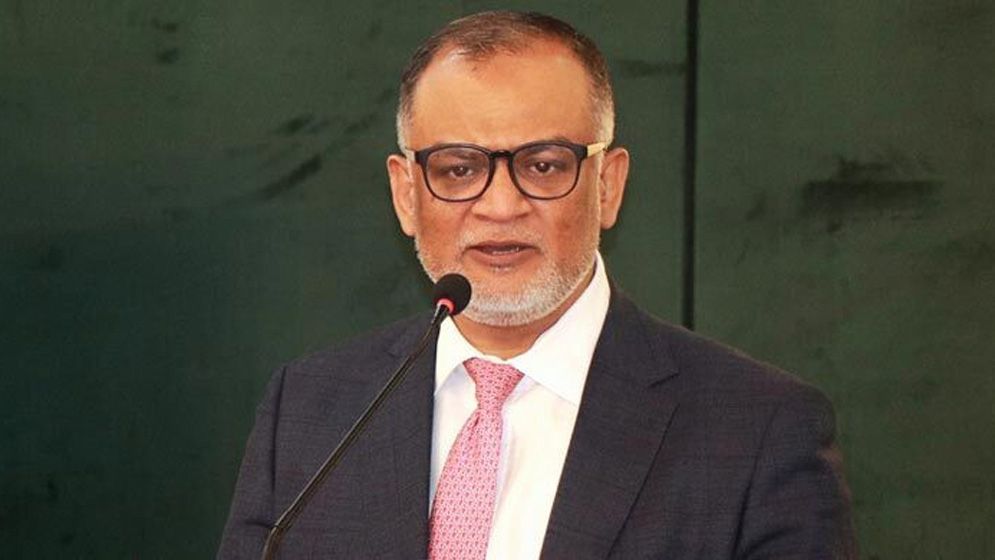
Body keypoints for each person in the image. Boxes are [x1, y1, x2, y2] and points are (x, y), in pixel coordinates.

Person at [218, 11, 856, 559]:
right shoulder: (310, 409)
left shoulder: (760, 431)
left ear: (608, 185)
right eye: (459, 169)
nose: (501, 206)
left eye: (544, 165)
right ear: (406, 193)